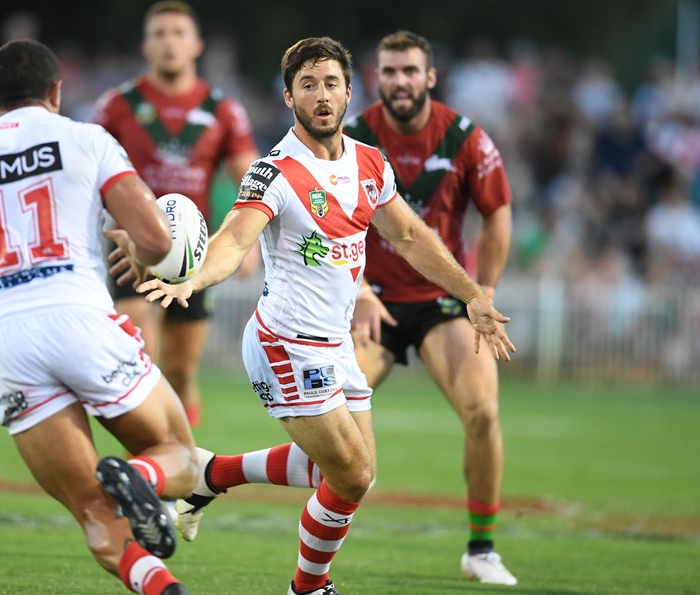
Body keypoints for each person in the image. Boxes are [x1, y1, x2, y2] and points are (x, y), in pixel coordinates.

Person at [116, 36, 515, 595]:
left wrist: (471, 293)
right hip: (287, 343)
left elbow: (409, 235)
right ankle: (309, 588)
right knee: (351, 475)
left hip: (336, 345)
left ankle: (208, 475)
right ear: (288, 97)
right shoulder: (274, 171)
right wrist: (194, 277)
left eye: (331, 84)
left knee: (349, 471)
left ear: (350, 92)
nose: (321, 95)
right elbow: (233, 241)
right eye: (308, 85)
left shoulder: (369, 163)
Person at [0, 39, 199, 595]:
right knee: (180, 458)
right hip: (78, 313)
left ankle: (163, 590)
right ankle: (140, 476)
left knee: (94, 512)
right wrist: (133, 244)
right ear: (56, 91)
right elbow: (154, 239)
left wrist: (6, 313)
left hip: (2, 337)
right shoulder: (85, 139)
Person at [342, 31, 517, 585]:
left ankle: (481, 549)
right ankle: (321, 541)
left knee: (483, 412)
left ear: (429, 77)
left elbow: (498, 212)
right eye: (389, 72)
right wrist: (359, 287)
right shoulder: (354, 136)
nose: (398, 81)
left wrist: (483, 293)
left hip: (444, 304)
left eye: (409, 71)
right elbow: (325, 215)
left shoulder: (466, 138)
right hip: (373, 302)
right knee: (334, 414)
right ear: (378, 78)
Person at [91, 0, 260, 428]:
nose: (169, 42)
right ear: (145, 45)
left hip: (192, 252)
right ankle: (151, 466)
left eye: (178, 33)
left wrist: (251, 240)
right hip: (133, 246)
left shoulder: (223, 110)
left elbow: (253, 178)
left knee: (182, 369)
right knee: (139, 355)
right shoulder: (116, 106)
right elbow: (87, 173)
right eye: (159, 34)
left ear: (196, 44)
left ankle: (183, 470)